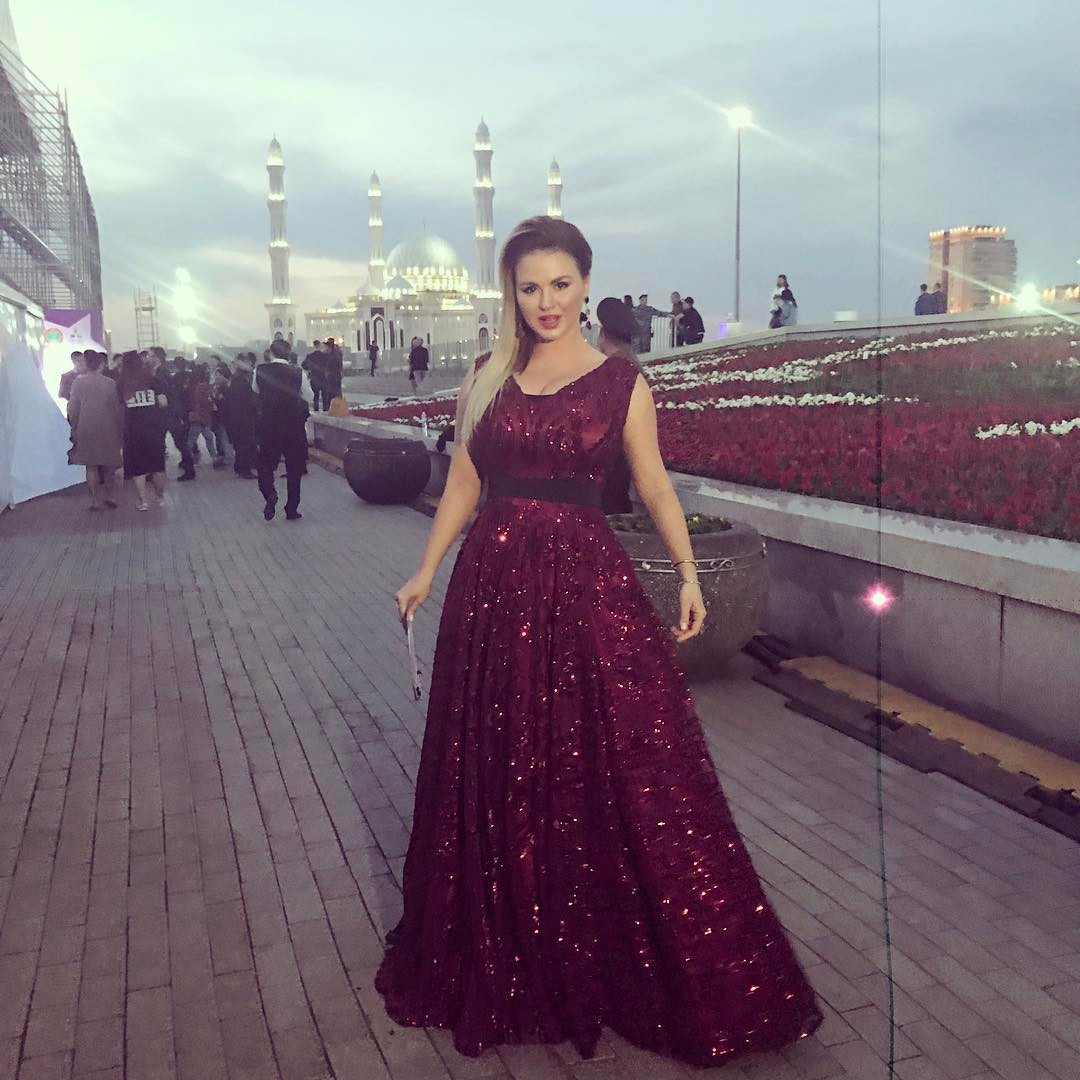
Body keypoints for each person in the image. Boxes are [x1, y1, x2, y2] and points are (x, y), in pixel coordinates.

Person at [376, 215, 823, 1065]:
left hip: (584, 588)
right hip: (490, 591)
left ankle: (605, 944)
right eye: (529, 287)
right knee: (500, 755)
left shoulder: (621, 382)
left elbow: (654, 484)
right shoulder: (489, 377)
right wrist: (426, 568)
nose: (546, 301)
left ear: (585, 284)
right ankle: (512, 933)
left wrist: (688, 572)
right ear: (511, 292)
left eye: (561, 284)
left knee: (614, 756)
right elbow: (466, 480)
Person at [595, 295, 641, 515]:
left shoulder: (609, 371)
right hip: (622, 465)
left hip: (604, 470)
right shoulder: (633, 366)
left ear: (603, 335)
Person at [255, 338, 307, 520]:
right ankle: (291, 509)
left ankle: (270, 493)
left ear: (271, 352)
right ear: (289, 353)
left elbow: (256, 391)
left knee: (265, 464)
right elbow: (308, 395)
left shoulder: (260, 370)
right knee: (294, 468)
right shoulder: (298, 372)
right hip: (293, 426)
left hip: (269, 425)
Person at [67, 350, 125, 511]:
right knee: (109, 465)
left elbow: (73, 408)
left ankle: (95, 500)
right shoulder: (110, 383)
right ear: (100, 364)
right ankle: (110, 496)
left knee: (91, 466)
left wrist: (75, 426)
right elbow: (116, 408)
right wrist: (120, 426)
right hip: (108, 427)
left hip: (86, 427)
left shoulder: (78, 383)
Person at [118, 350, 168, 510]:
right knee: (158, 466)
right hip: (154, 428)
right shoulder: (154, 380)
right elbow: (163, 402)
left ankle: (143, 501)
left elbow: (120, 406)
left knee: (138, 468)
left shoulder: (122, 383)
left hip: (133, 431)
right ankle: (160, 498)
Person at [226, 353, 258, 479]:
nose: (250, 365)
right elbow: (248, 399)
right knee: (244, 443)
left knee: (240, 444)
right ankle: (244, 470)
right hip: (243, 417)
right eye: (248, 363)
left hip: (236, 416)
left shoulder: (236, 380)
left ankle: (240, 468)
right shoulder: (241, 381)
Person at [186, 365, 217, 472]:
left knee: (192, 440)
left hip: (197, 417)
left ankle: (188, 458)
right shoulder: (204, 387)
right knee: (208, 438)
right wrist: (211, 402)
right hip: (202, 417)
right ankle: (213, 457)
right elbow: (204, 400)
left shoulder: (193, 386)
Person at [210, 360, 231, 466]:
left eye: (219, 375)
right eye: (216, 375)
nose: (217, 377)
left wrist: (216, 399)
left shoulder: (226, 389)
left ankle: (227, 457)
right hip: (216, 417)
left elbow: (224, 402)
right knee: (219, 436)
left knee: (223, 437)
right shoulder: (215, 387)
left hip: (223, 417)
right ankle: (222, 455)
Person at [303, 340, 329, 412]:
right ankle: (325, 409)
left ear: (314, 345)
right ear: (319, 345)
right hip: (323, 377)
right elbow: (328, 365)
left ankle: (316, 410)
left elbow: (303, 365)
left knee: (315, 395)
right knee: (324, 395)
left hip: (314, 377)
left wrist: (309, 369)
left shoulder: (310, 356)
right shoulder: (325, 356)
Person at [324, 337, 344, 403]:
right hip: (335, 375)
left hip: (333, 376)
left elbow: (336, 364)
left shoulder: (333, 354)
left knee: (333, 393)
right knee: (336, 393)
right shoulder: (337, 352)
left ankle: (335, 406)